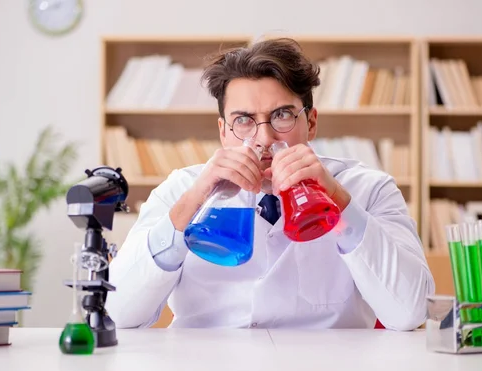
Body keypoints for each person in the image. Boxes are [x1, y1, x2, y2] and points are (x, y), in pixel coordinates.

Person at [105, 37, 435, 331]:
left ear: (311, 122)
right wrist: (191, 206)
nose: (264, 138)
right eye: (243, 120)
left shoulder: (368, 188)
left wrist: (338, 200)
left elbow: (410, 312)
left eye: (282, 115)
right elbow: (117, 314)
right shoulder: (182, 189)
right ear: (223, 131)